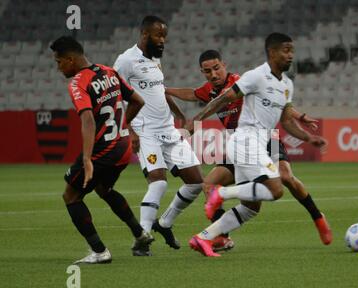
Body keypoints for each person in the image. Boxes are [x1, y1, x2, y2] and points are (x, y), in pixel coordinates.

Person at [166, 50, 332, 252]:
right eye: (207, 71)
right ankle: (220, 237)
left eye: (217, 68)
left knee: (286, 177)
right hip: (241, 145)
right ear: (203, 72)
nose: (213, 74)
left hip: (265, 138)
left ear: (224, 65)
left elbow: (274, 97)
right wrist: (166, 90)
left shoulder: (240, 81)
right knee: (210, 185)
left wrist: (299, 115)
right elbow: (192, 94)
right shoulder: (210, 90)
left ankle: (317, 217)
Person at [51, 36, 152, 264]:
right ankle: (140, 233)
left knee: (70, 196)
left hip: (102, 150)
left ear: (70, 59)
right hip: (123, 147)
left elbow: (87, 119)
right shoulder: (108, 72)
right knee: (104, 189)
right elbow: (138, 101)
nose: (58, 68)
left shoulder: (78, 82)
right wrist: (123, 125)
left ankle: (99, 251)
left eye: (59, 62)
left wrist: (87, 158)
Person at [113, 16, 204, 255]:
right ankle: (142, 237)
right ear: (144, 35)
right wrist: (129, 129)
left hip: (168, 129)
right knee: (159, 182)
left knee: (196, 183)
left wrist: (181, 115)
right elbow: (116, 98)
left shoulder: (155, 60)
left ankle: (163, 223)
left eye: (164, 35)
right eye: (158, 35)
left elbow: (160, 91)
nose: (163, 40)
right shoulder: (126, 61)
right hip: (145, 131)